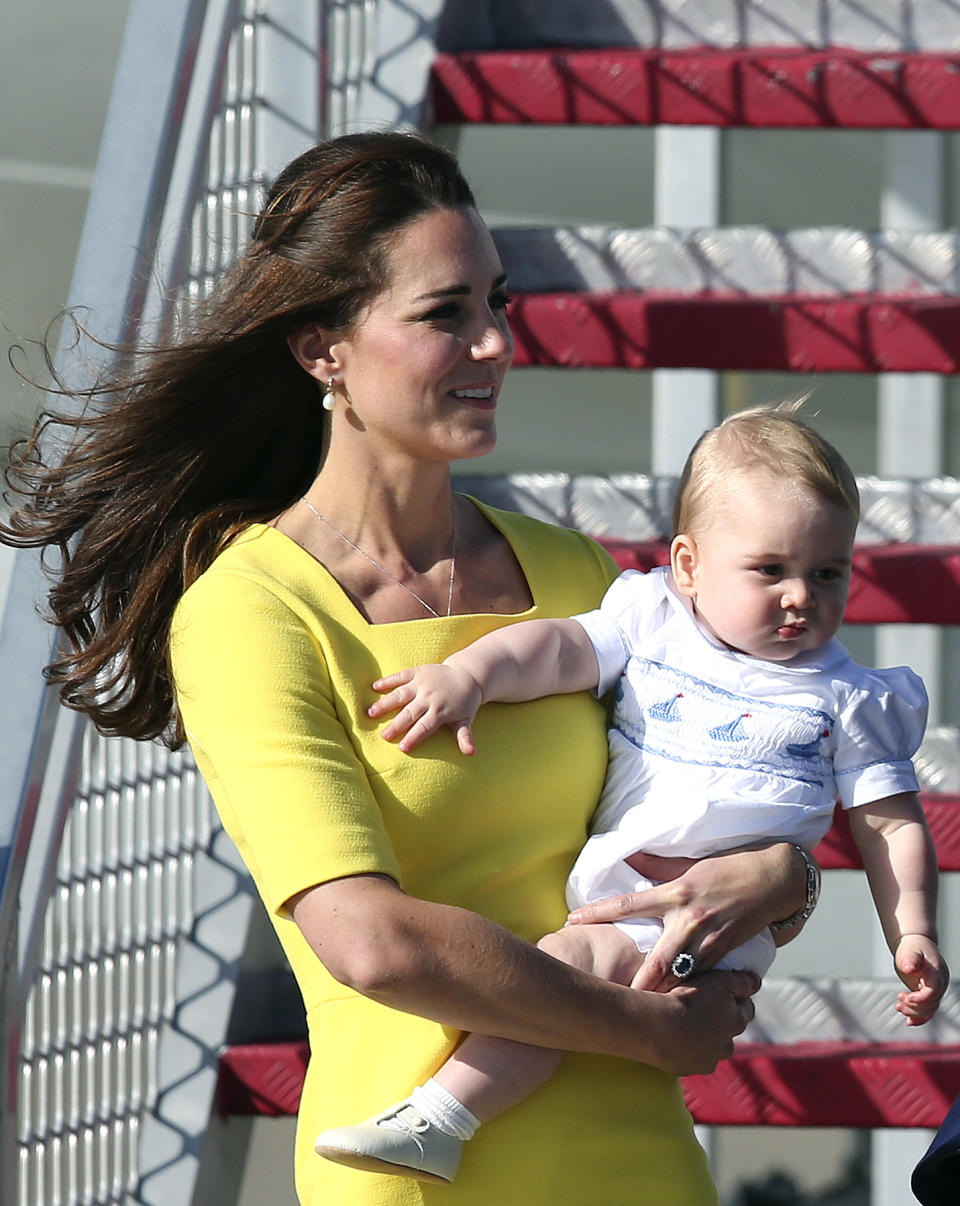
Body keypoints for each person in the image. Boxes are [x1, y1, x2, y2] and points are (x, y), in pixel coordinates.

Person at [2, 132, 818, 1206]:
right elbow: (370, 942)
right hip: (414, 1169)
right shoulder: (252, 611)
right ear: (322, 350)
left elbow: (725, 801)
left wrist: (784, 879)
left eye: (500, 302)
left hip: (643, 1156)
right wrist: (639, 1025)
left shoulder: (577, 577)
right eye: (446, 314)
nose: (494, 344)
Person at [314, 404, 949, 1186]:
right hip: (620, 884)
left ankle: (443, 1116)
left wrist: (910, 929)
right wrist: (469, 676)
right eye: (769, 570)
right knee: (566, 973)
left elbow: (892, 824)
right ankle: (445, 1118)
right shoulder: (653, 620)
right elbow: (557, 648)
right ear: (688, 566)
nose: (800, 597)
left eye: (828, 572)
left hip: (717, 930)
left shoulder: (849, 697)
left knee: (566, 964)